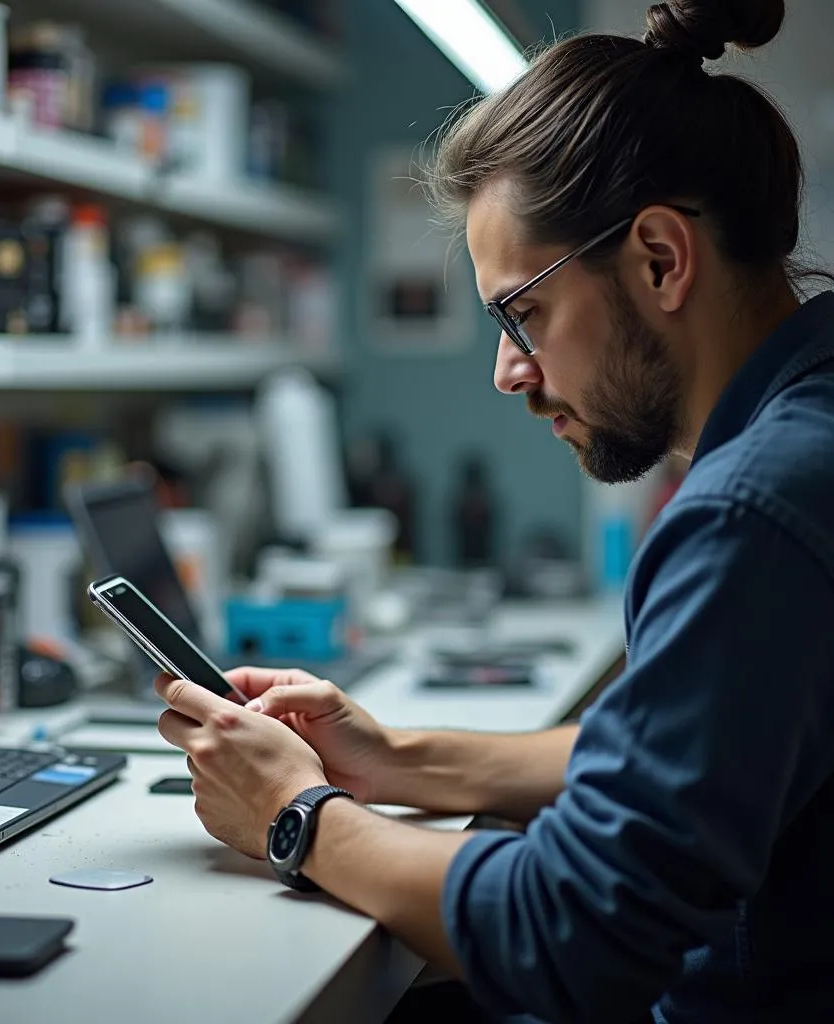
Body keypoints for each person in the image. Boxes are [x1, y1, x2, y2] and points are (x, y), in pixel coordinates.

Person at [154, 0, 834, 1020]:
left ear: (659, 259)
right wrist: (397, 761)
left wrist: (296, 814)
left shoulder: (754, 510)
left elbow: (574, 932)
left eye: (523, 312)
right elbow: (681, 758)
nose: (507, 371)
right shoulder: (804, 432)